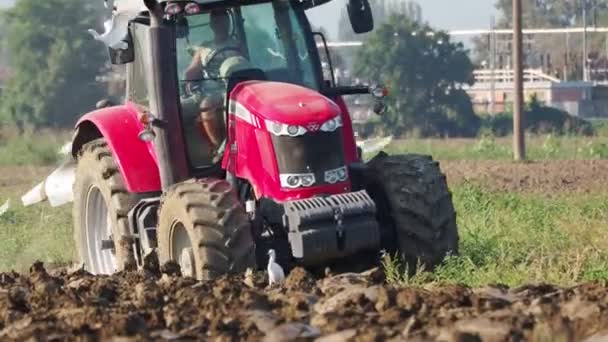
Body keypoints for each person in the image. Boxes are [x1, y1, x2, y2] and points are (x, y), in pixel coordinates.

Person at [182, 9, 244, 164]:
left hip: (239, 87)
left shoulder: (238, 44)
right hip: (214, 90)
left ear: (228, 23)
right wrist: (190, 78)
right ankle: (220, 148)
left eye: (223, 20)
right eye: (217, 21)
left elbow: (246, 65)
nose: (221, 23)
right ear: (212, 24)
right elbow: (191, 73)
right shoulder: (204, 49)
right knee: (207, 105)